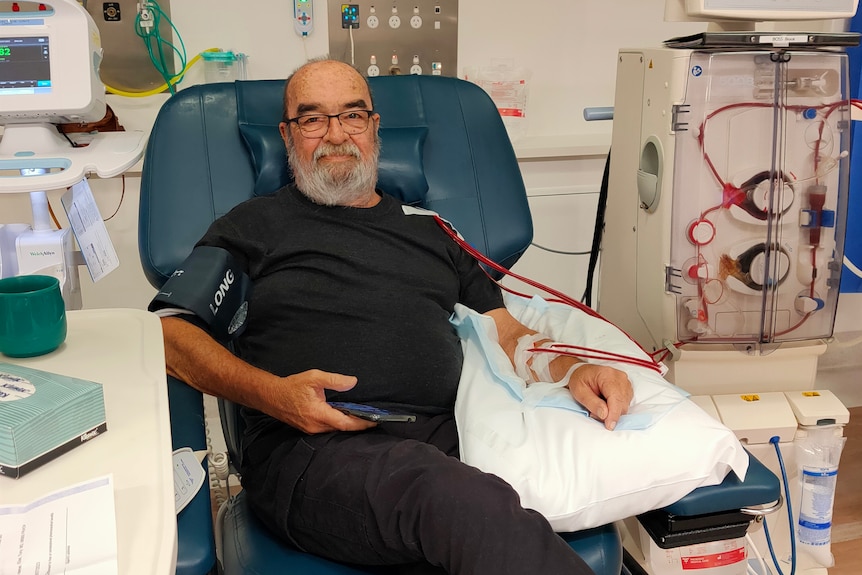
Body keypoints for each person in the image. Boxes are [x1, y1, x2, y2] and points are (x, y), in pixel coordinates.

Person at [157, 57, 634, 575]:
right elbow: (169, 334)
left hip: (448, 438)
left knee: (577, 467)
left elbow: (507, 330)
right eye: (313, 119)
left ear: (374, 126)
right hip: (313, 449)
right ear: (287, 135)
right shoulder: (253, 225)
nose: (336, 135)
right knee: (458, 501)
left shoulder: (433, 232)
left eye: (352, 116)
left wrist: (573, 370)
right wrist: (276, 397)